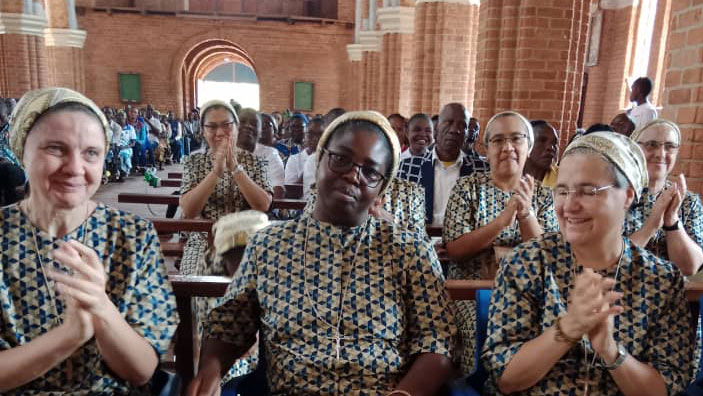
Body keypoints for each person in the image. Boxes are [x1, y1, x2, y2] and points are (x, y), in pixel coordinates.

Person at [186, 111, 456, 396]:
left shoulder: (409, 250)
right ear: (320, 160)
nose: (353, 175)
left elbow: (438, 342)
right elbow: (229, 325)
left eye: (370, 171)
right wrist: (210, 371)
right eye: (341, 159)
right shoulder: (269, 245)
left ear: (381, 188)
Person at [483, 131, 693, 395]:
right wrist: (569, 327)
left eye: (587, 191)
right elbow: (505, 377)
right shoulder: (527, 262)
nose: (569, 206)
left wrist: (610, 351)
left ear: (628, 195)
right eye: (562, 191)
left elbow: (665, 388)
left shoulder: (660, 279)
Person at [0, 87, 177, 394]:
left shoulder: (133, 234)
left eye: (91, 153)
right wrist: (70, 335)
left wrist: (101, 307)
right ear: (21, 151)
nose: (75, 168)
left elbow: (142, 369)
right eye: (56, 149)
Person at [443, 111, 558, 374]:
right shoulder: (467, 188)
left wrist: (526, 214)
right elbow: (456, 250)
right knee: (484, 325)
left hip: (531, 294)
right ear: (486, 148)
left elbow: (549, 256)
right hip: (473, 293)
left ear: (528, 146)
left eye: (516, 139)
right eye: (498, 140)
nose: (508, 147)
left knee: (553, 329)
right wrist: (501, 223)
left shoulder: (543, 195)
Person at [179, 101, 272, 277]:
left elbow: (263, 205)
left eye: (226, 125)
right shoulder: (193, 162)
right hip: (204, 242)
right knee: (198, 284)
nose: (220, 133)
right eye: (212, 127)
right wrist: (215, 172)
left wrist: (236, 168)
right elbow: (189, 211)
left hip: (246, 241)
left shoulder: (256, 162)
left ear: (236, 127)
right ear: (203, 131)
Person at [625, 119, 703, 275]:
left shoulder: (688, 202)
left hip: (668, 296)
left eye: (669, 147)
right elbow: (608, 260)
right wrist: (651, 226)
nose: (660, 154)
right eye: (652, 145)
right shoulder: (613, 195)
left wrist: (672, 220)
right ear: (634, 149)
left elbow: (690, 268)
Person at [398, 102, 488, 226]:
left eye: (462, 125)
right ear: (436, 130)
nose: (455, 130)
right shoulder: (408, 167)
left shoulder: (480, 170)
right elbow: (399, 216)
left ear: (467, 134)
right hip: (420, 240)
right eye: (448, 123)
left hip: (465, 241)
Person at [285, 117, 324, 195]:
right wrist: (310, 166)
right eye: (310, 133)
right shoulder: (294, 160)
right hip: (299, 205)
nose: (316, 138)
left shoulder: (329, 159)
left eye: (320, 134)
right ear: (304, 135)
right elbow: (291, 193)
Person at [253, 112, 285, 198]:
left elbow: (278, 192)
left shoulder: (274, 155)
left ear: (275, 132)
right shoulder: (245, 151)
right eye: (258, 124)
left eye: (266, 124)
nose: (261, 127)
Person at [523, 120, 560, 188]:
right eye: (542, 140)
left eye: (554, 143)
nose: (551, 148)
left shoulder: (563, 180)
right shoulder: (507, 176)